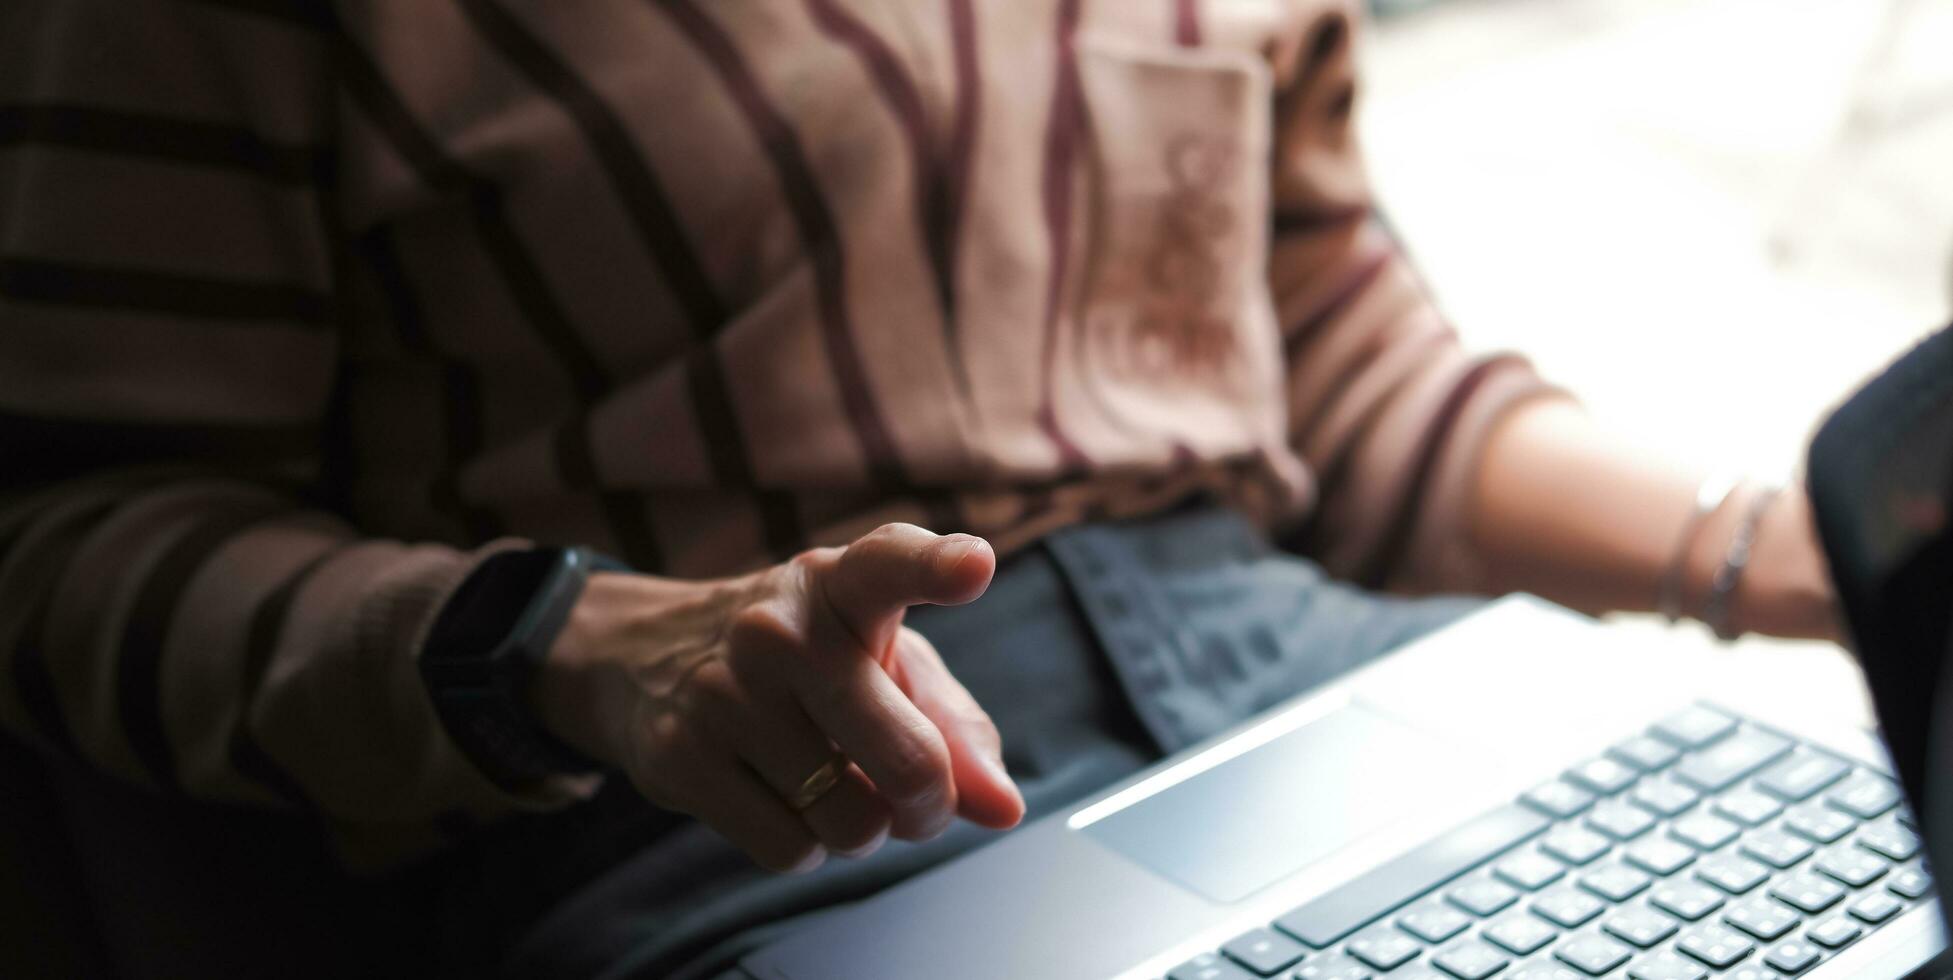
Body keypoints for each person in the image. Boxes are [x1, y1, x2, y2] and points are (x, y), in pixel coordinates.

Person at [0, 1, 1840, 977]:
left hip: (1331, 693)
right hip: (752, 842)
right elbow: (77, 540)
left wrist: (1805, 548)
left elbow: (1337, 377)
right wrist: (587, 644)